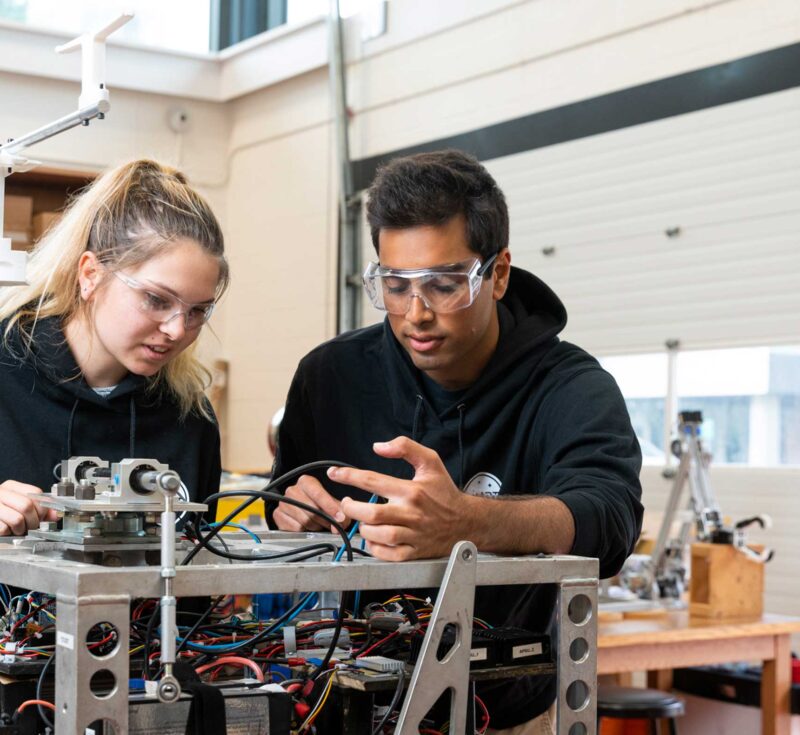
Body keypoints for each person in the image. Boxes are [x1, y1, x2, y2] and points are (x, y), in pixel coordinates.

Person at [272, 149, 643, 733]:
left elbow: (610, 520)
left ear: (497, 274)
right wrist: (291, 514)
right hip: (343, 705)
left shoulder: (570, 387)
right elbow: (283, 497)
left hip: (503, 712)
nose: (416, 314)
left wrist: (469, 522)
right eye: (395, 285)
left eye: (444, 285)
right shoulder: (330, 377)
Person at [0, 159, 228, 536]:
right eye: (157, 299)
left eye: (198, 311)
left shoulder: (188, 418)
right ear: (91, 274)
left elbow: (195, 568)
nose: (177, 330)